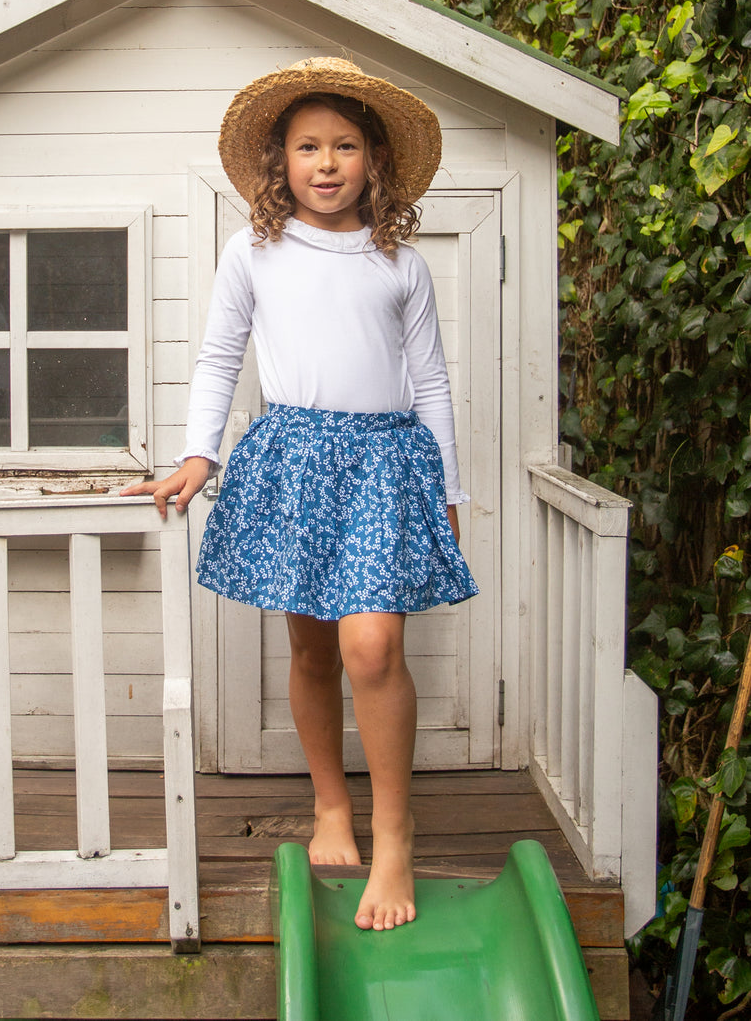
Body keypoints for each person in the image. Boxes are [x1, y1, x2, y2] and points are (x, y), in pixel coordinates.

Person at [122, 56, 477, 932]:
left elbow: (431, 381)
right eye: (308, 146)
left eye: (345, 145)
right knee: (315, 651)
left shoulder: (402, 264)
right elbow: (219, 358)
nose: (326, 163)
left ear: (374, 161)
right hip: (294, 455)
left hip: (386, 466)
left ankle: (394, 836)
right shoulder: (255, 251)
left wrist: (449, 486)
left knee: (373, 651)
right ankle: (331, 806)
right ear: (280, 161)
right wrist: (199, 455)